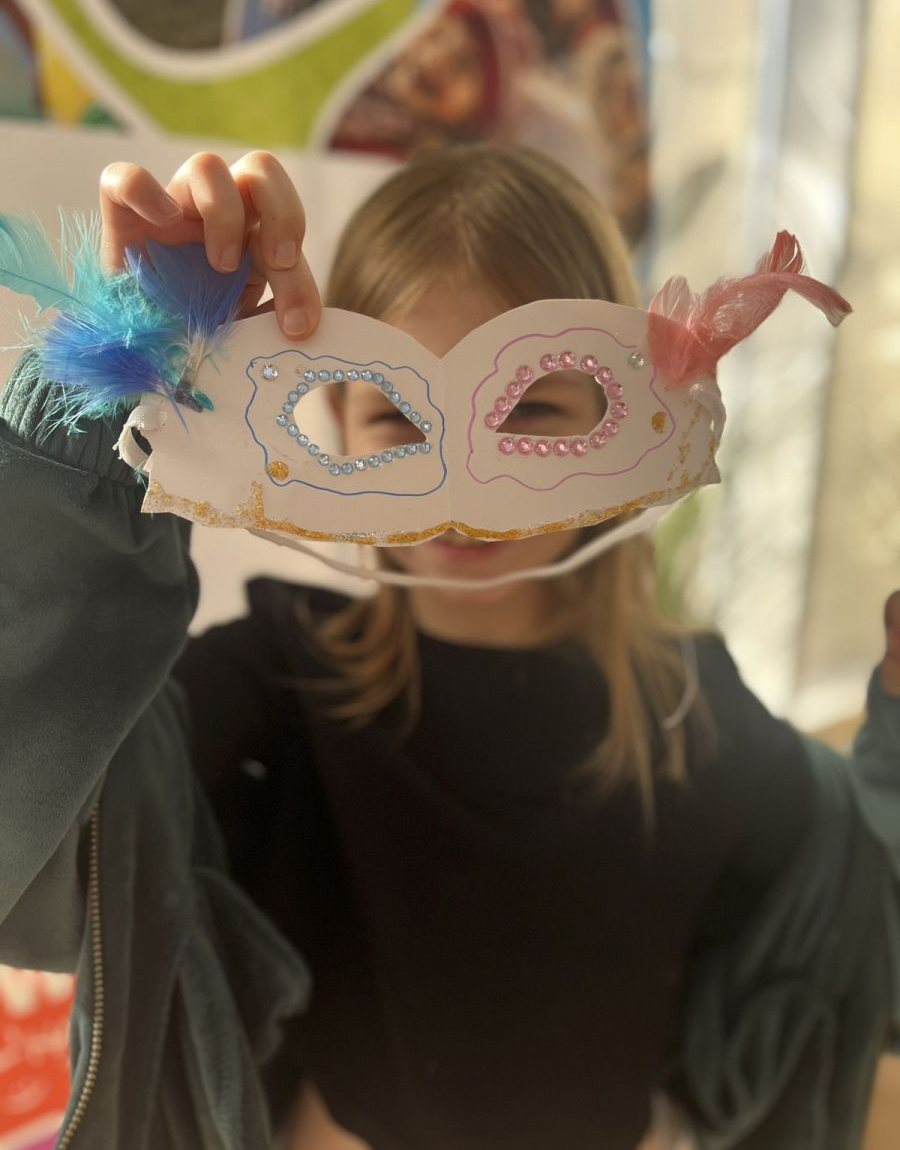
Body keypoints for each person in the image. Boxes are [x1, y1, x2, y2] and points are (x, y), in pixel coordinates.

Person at [0, 144, 897, 1150]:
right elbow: (22, 846)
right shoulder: (271, 692)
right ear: (336, 422)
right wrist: (106, 394)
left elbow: (867, 923)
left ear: (628, 410)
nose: (467, 488)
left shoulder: (698, 717)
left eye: (535, 412)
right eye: (398, 417)